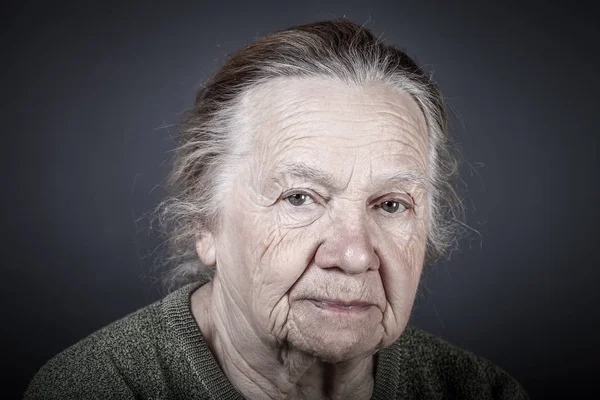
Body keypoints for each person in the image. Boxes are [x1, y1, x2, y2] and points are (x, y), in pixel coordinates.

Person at [24, 19, 529, 399]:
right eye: (299, 198)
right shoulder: (94, 388)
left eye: (391, 204)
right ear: (206, 222)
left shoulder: (481, 391)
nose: (353, 255)